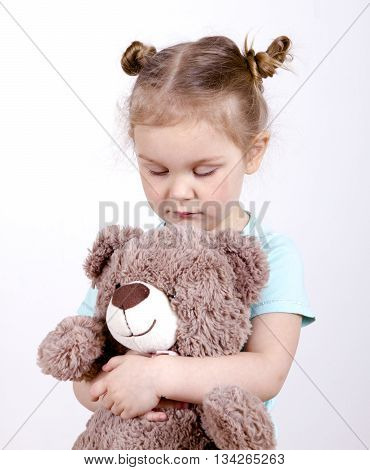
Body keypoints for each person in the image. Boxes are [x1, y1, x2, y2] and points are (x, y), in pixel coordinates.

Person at [73, 34, 316, 445]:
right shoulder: (134, 256)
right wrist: (118, 389)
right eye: (157, 170)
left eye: (203, 171)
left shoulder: (272, 254)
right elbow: (84, 374)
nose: (179, 192)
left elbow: (267, 370)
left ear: (253, 152)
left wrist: (158, 376)